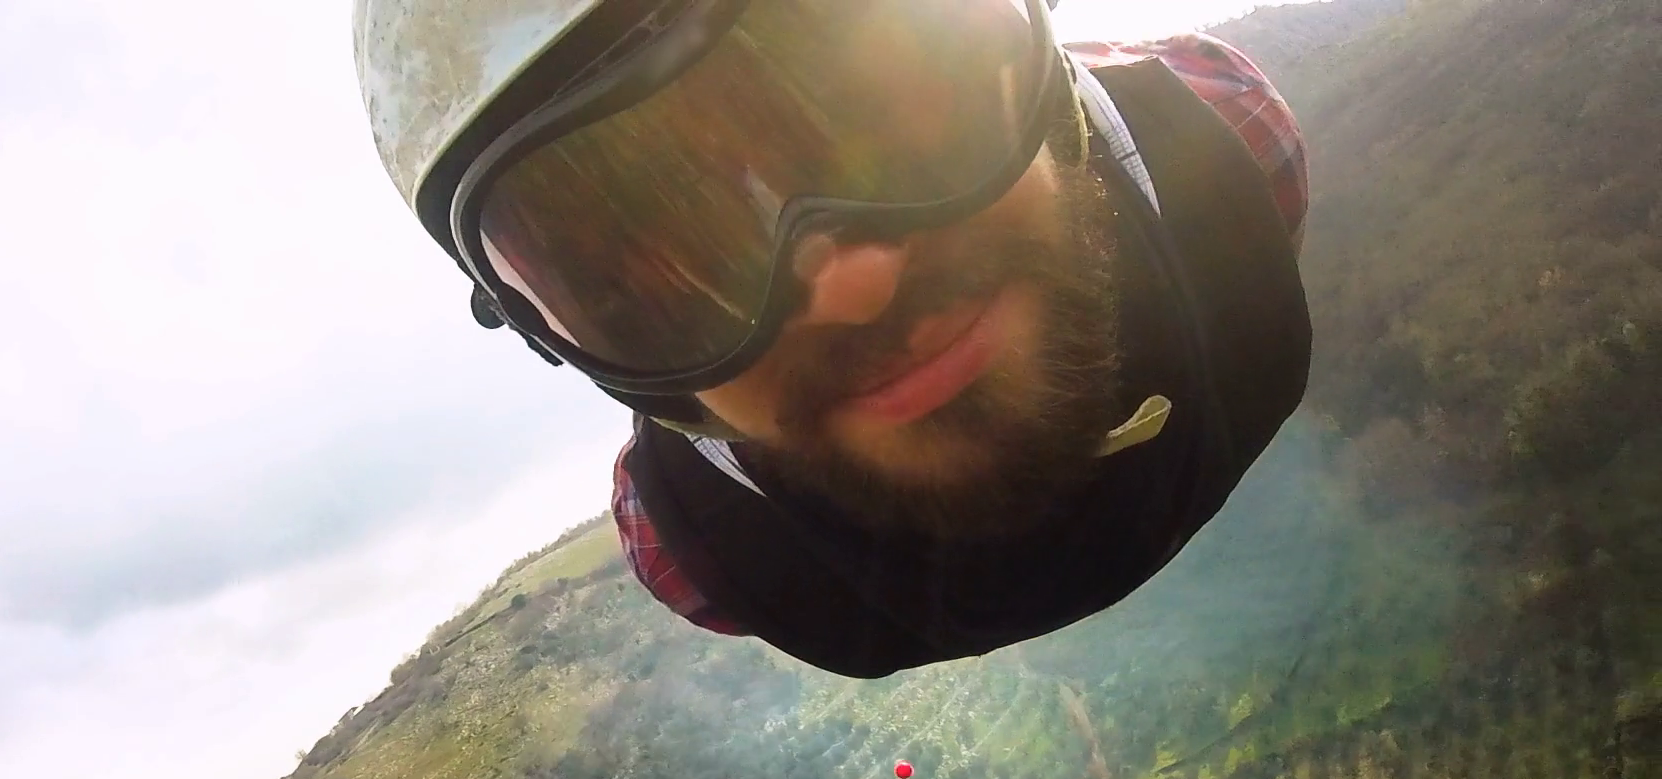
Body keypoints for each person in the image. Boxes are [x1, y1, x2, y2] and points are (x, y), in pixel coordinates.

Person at [354, 0, 1311, 678]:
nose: (853, 285)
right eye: (651, 268)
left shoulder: (695, 552)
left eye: (881, 102)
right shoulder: (1229, 137)